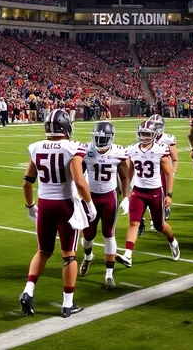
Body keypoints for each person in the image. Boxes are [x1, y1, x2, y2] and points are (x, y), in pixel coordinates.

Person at [19, 109, 96, 318]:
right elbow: (80, 181)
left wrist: (30, 206)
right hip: (65, 204)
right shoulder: (72, 147)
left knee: (43, 251)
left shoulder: (36, 147)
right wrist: (90, 205)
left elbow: (27, 182)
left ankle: (28, 290)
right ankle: (67, 303)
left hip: (44, 204)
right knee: (69, 255)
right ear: (66, 127)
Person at [115, 120, 180, 267]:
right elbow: (128, 174)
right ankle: (128, 255)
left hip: (155, 191)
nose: (144, 137)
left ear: (154, 134)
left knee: (160, 226)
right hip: (138, 192)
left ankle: (172, 241)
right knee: (133, 223)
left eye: (147, 134)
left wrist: (169, 194)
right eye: (142, 134)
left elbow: (169, 173)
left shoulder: (160, 149)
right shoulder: (132, 149)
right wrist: (125, 194)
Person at [79, 121, 130, 289]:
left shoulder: (119, 152)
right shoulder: (86, 151)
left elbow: (124, 177)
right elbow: (77, 175)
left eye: (104, 139)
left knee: (109, 234)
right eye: (97, 138)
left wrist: (126, 197)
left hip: (109, 196)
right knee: (88, 236)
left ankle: (109, 275)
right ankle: (88, 257)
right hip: (90, 197)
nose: (100, 142)